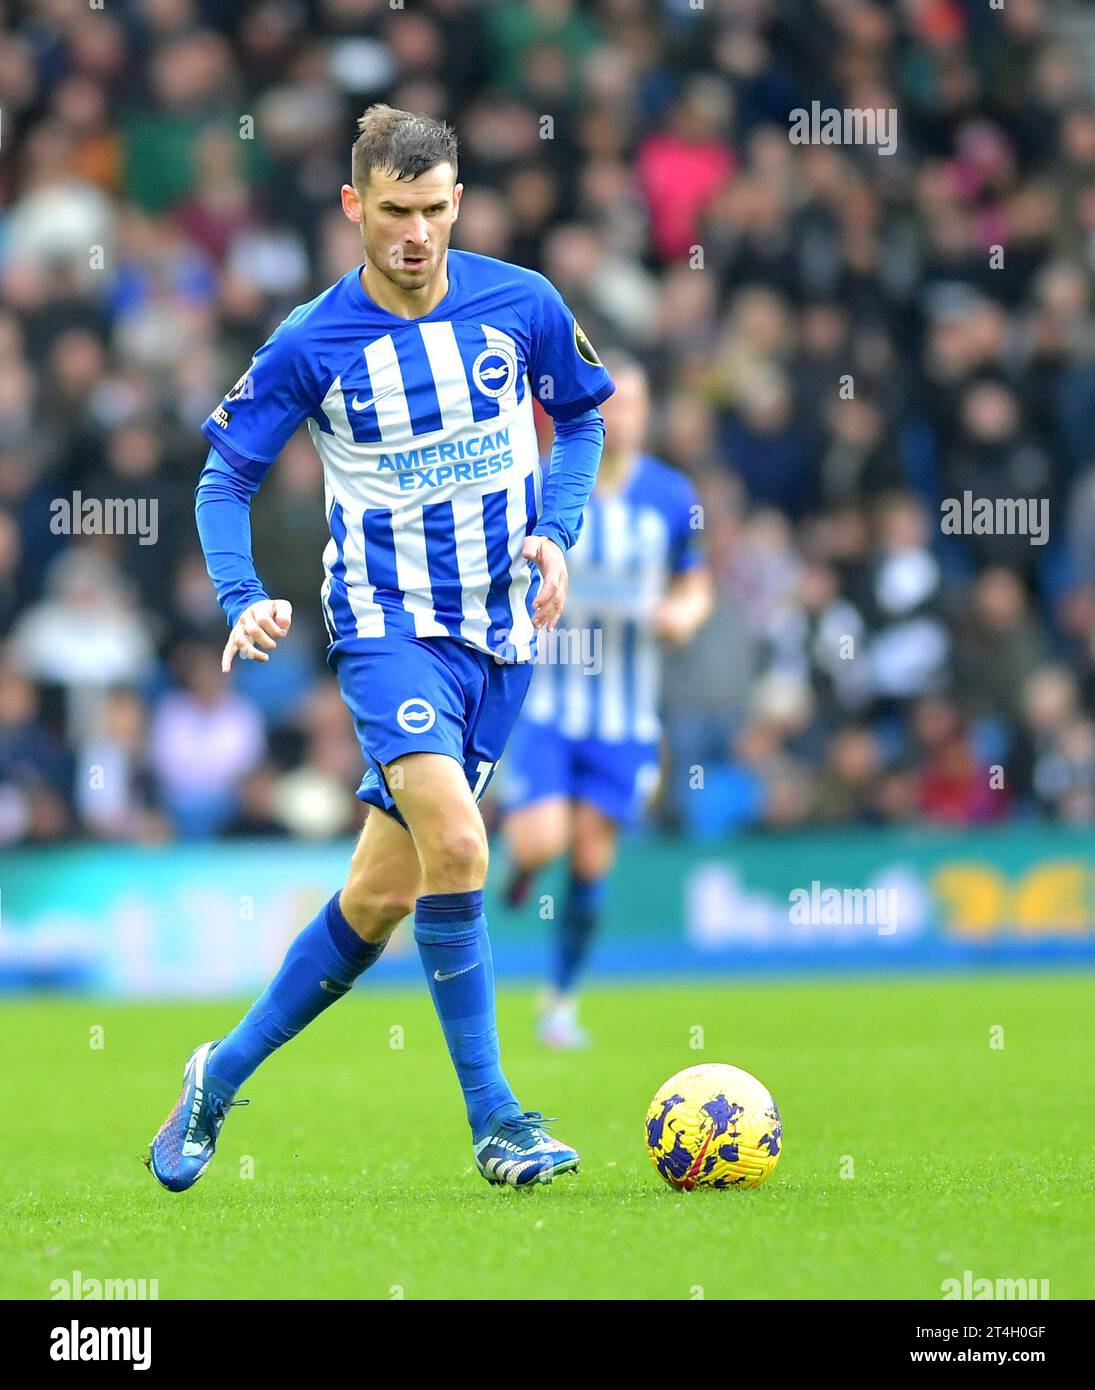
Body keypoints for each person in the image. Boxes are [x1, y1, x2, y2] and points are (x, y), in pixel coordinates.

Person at [145, 105, 614, 1191]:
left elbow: (583, 415)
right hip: (388, 626)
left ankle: (218, 1074)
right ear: (355, 206)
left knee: (379, 897)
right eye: (395, 211)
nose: (417, 233)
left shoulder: (523, 304)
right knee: (459, 846)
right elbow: (225, 476)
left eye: (436, 209)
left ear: (460, 203)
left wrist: (557, 529)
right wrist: (240, 593)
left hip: (503, 638)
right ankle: (498, 1120)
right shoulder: (314, 338)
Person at [500, 355, 711, 1047]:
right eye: (609, 405)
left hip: (624, 714)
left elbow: (695, 581)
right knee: (542, 839)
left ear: (646, 415)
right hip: (548, 705)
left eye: (632, 406)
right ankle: (523, 865)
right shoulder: (548, 482)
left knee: (591, 858)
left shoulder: (671, 496)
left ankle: (558, 1001)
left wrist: (684, 613)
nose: (619, 418)